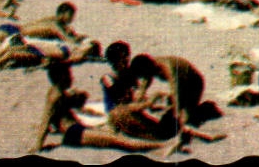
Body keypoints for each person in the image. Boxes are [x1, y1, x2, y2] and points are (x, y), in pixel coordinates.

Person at [32, 61, 168, 153]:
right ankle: (163, 146)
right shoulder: (55, 97)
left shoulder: (59, 92)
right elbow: (46, 120)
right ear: (62, 77)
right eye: (69, 75)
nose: (72, 78)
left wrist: (78, 97)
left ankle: (159, 144)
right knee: (118, 141)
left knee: (115, 136)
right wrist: (38, 147)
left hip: (77, 128)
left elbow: (67, 110)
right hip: (73, 133)